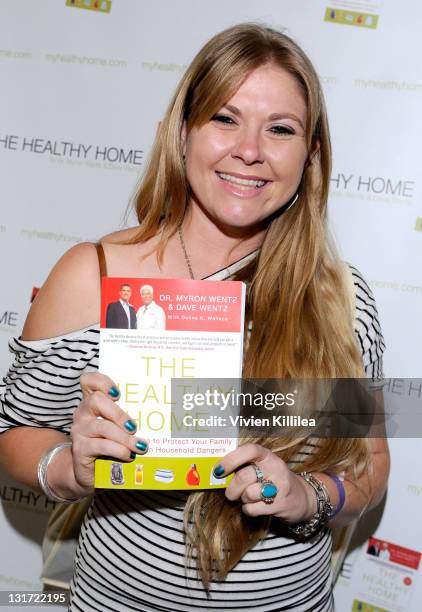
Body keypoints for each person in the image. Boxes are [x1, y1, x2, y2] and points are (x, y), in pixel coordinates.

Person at [0, 23, 389, 612]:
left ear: (309, 158)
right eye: (225, 118)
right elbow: (13, 435)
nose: (250, 150)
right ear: (183, 133)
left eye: (279, 129)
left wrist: (307, 497)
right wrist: (68, 469)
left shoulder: (341, 297)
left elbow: (372, 465)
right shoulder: (93, 276)